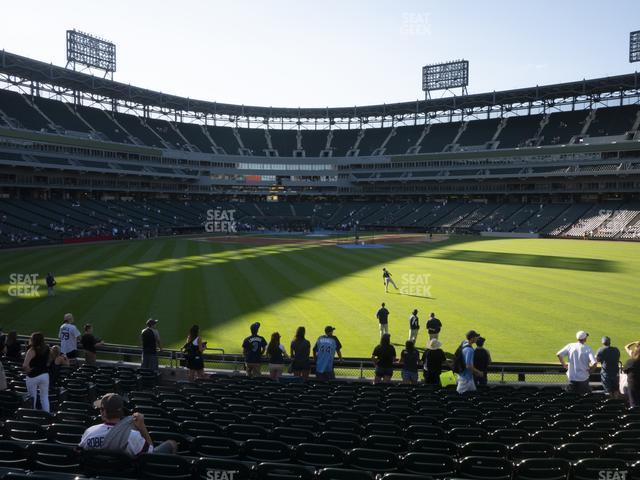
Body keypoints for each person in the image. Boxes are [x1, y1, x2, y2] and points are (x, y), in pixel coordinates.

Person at [79, 393, 177, 455]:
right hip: (124, 474)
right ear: (121, 411)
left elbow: (80, 451)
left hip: (96, 473)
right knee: (172, 444)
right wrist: (142, 427)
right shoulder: (133, 436)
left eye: (101, 409)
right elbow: (149, 456)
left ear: (103, 412)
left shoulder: (89, 432)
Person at [556, 330, 596, 395]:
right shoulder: (588, 348)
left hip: (572, 378)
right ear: (585, 339)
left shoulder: (570, 346)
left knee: (571, 398)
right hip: (583, 378)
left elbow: (559, 355)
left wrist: (564, 365)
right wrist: (590, 371)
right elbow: (594, 363)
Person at [22, 332, 51, 412]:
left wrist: (28, 370)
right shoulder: (47, 348)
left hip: (33, 376)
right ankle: (47, 415)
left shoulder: (32, 350)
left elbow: (24, 365)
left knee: (32, 397)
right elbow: (48, 361)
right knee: (44, 397)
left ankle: (33, 415)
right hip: (45, 375)